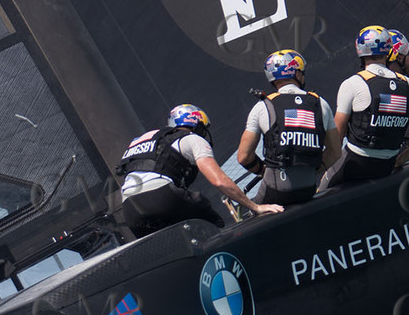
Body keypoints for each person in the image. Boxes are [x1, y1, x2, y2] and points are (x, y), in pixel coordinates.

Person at [120, 104, 281, 231]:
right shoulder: (191, 138)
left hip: (130, 209)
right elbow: (219, 181)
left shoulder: (148, 140)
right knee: (210, 223)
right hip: (162, 197)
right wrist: (255, 207)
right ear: (196, 125)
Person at [328, 25, 409, 185]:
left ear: (360, 50)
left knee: (319, 190)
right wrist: (400, 160)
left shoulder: (351, 84)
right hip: (387, 165)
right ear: (389, 50)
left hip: (355, 163)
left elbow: (336, 137)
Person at [236, 49, 340, 205]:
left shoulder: (262, 106)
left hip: (275, 189)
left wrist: (263, 171)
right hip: (308, 188)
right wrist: (312, 171)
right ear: (297, 74)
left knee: (252, 215)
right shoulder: (321, 103)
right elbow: (335, 152)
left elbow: (243, 156)